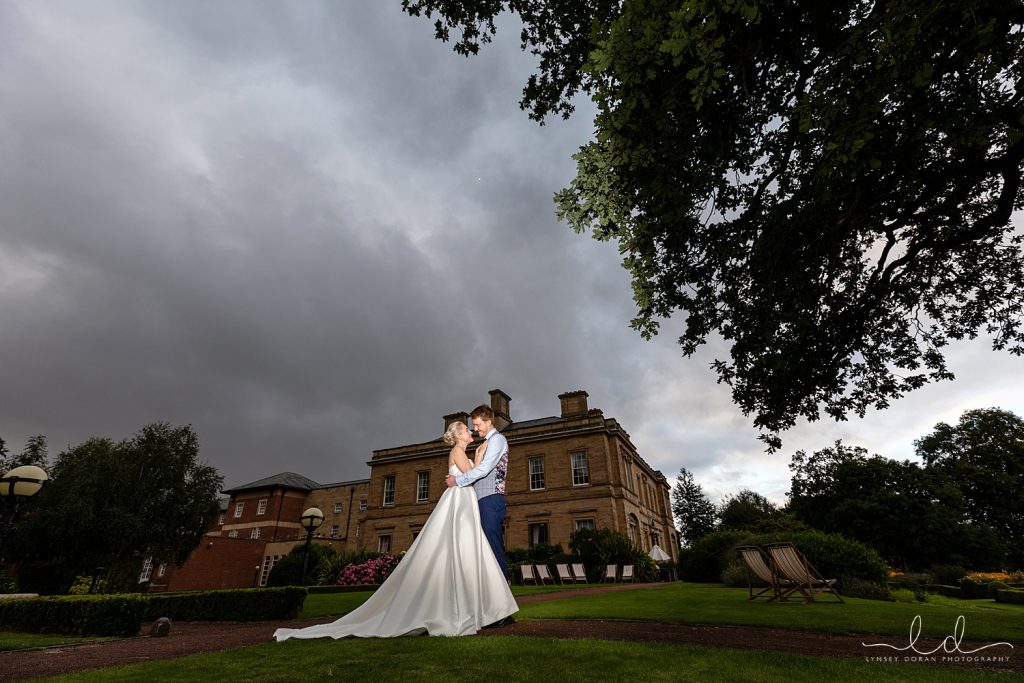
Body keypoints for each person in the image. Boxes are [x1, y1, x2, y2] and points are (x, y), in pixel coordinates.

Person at [273, 421, 517, 640]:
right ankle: (466, 606)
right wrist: (481, 455)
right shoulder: (457, 451)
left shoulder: (462, 451)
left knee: (463, 548)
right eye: (466, 429)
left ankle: (475, 604)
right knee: (458, 546)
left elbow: (469, 473)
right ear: (457, 436)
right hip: (460, 500)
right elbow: (472, 475)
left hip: (463, 500)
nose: (470, 430)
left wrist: (478, 456)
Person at [445, 404, 510, 580]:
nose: (475, 429)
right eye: (472, 426)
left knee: (492, 541)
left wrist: (457, 480)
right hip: (480, 499)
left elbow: (484, 470)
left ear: (488, 421)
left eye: (478, 424)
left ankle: (502, 583)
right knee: (483, 545)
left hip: (491, 498)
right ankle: (490, 585)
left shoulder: (497, 440)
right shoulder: (485, 443)